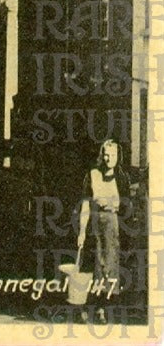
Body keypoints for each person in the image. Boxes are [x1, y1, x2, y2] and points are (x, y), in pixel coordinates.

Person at [76, 139, 130, 324]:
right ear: (101, 155)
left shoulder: (122, 178)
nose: (109, 159)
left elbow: (126, 205)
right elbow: (85, 204)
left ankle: (102, 309)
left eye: (113, 155)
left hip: (113, 226)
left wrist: (117, 205)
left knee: (110, 268)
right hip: (95, 225)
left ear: (118, 157)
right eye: (106, 154)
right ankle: (84, 307)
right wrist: (82, 231)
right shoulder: (92, 175)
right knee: (95, 266)